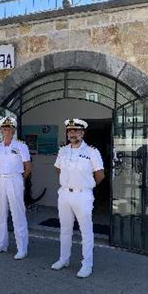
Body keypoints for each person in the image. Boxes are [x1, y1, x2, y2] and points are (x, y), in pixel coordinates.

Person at [51, 118, 105, 278]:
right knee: (65, 229)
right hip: (65, 194)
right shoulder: (63, 151)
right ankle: (63, 259)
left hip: (83, 195)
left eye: (75, 131)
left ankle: (87, 264)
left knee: (86, 231)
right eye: (69, 131)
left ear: (82, 133)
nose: (72, 134)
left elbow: (100, 175)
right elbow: (57, 169)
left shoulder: (92, 152)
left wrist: (87, 185)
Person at [0, 116, 31, 260]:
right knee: (2, 213)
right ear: (1, 130)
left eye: (9, 128)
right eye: (4, 128)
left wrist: (19, 180)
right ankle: (2, 243)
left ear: (13, 130)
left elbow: (28, 167)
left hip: (15, 180)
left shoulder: (21, 146)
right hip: (2, 180)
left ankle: (22, 248)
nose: (6, 131)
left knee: (17, 214)